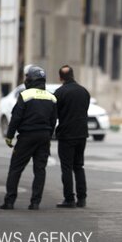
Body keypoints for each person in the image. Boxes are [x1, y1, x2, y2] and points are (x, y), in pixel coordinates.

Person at [0, 65, 57, 210]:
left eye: (27, 78)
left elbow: (16, 118)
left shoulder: (25, 95)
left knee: (15, 169)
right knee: (40, 170)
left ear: (31, 80)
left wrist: (9, 136)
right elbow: (53, 120)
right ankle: (35, 202)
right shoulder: (51, 97)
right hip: (44, 137)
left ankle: (9, 201)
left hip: (26, 137)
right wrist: (48, 137)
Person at [54, 65, 91, 208]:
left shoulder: (59, 92)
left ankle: (69, 199)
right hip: (82, 134)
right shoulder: (84, 92)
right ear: (73, 75)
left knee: (67, 168)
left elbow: (55, 114)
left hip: (66, 135)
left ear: (60, 77)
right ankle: (82, 199)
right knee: (79, 166)